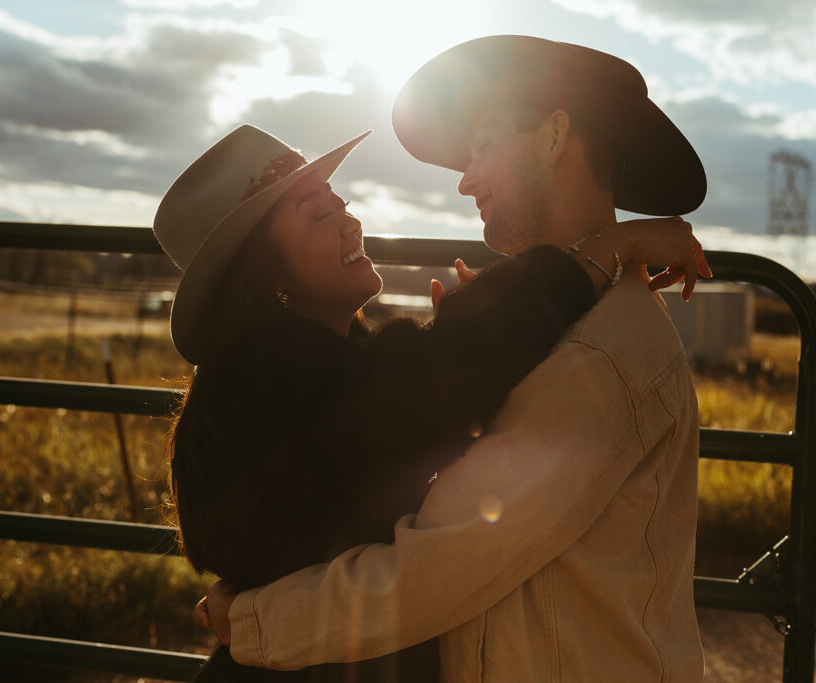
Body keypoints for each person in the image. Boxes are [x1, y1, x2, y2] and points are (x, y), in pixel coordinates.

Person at [200, 35, 709, 682]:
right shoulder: (565, 325)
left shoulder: (592, 350)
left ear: (554, 138)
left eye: (483, 146)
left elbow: (427, 572)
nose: (466, 178)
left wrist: (247, 620)